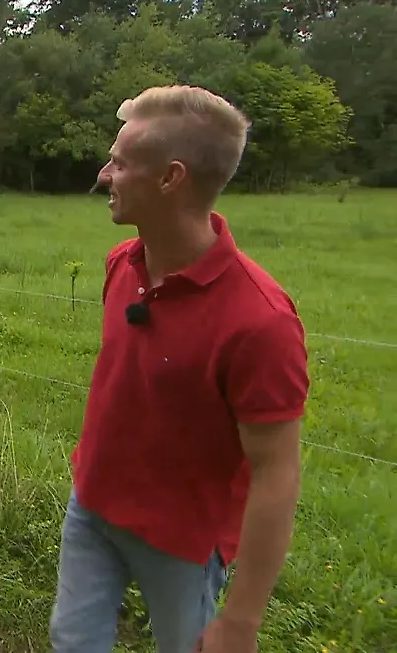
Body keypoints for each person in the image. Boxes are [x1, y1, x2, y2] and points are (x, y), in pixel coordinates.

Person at [50, 85, 310, 653]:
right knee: (71, 643)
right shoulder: (123, 263)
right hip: (92, 507)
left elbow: (276, 473)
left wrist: (240, 622)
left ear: (170, 178)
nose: (104, 175)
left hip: (183, 541)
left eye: (120, 163)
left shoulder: (261, 321)